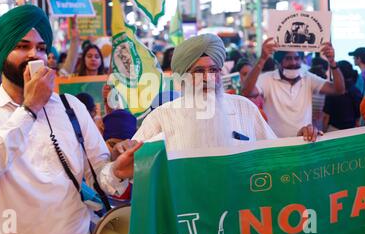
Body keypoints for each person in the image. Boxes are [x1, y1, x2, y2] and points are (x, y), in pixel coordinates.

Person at [0, 5, 138, 234]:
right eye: (22, 46)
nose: (34, 55)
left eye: (41, 48)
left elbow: (99, 174)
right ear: (1, 53)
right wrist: (30, 109)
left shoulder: (70, 106)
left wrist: (116, 170)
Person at [130, 34, 319, 152]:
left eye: (213, 70)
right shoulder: (163, 117)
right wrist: (120, 154)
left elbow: (275, 154)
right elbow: (125, 167)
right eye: (198, 72)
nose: (208, 78)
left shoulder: (244, 108)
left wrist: (302, 139)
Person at [241, 38, 345, 138]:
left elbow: (339, 90)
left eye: (296, 58)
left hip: (303, 142)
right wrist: (262, 59)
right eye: (288, 58)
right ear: (279, 61)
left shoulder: (308, 78)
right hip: (275, 144)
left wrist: (332, 62)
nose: (293, 62)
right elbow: (247, 91)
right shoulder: (268, 79)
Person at [323, 61, 362, 131]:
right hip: (352, 129)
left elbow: (326, 115)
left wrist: (324, 130)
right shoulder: (356, 91)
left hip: (333, 129)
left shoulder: (332, 91)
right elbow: (358, 115)